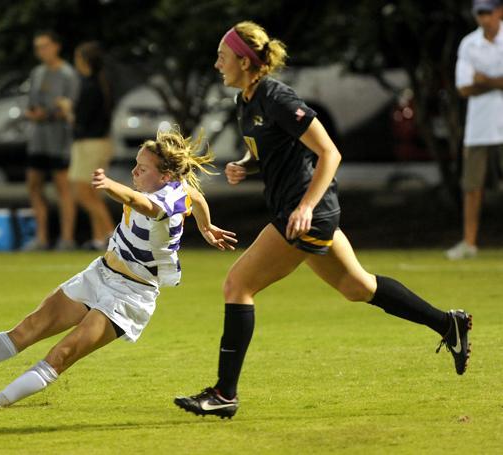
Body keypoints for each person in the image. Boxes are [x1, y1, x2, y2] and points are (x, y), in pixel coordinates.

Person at [173, 21, 473, 419]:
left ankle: (224, 394)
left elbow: (330, 153)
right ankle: (448, 324)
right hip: (298, 210)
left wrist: (306, 207)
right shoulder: (245, 101)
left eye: (222, 57)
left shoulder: (278, 97)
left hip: (305, 214)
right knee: (357, 286)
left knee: (237, 284)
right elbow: (274, 151)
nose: (216, 65)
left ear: (245, 62)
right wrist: (247, 166)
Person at [0, 129, 237, 411]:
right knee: (26, 330)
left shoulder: (165, 198)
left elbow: (139, 201)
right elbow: (195, 196)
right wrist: (206, 225)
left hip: (130, 296)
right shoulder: (176, 188)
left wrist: (109, 186)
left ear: (165, 176)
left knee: (61, 355)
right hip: (100, 274)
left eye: (142, 169)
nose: (133, 172)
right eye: (135, 164)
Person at [446, 0, 503, 260]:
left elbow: (476, 82)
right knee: (472, 187)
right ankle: (469, 243)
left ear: (499, 11)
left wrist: (485, 79)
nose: (483, 18)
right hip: (479, 128)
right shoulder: (469, 43)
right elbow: (464, 87)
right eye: (479, 13)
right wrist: (497, 81)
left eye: (487, 12)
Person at [24, 31, 80, 251]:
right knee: (34, 185)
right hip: (37, 139)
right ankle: (41, 236)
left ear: (56, 46)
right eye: (38, 47)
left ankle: (67, 238)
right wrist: (33, 114)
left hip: (59, 139)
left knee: (63, 187)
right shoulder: (37, 73)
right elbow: (30, 104)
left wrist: (48, 115)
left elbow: (70, 107)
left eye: (45, 46)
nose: (42, 51)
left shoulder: (67, 74)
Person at [69, 41, 116, 251]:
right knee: (93, 192)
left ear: (85, 61)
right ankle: (99, 238)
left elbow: (80, 121)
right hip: (101, 143)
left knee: (82, 193)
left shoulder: (89, 86)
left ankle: (111, 235)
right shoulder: (102, 83)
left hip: (89, 144)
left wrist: (67, 110)